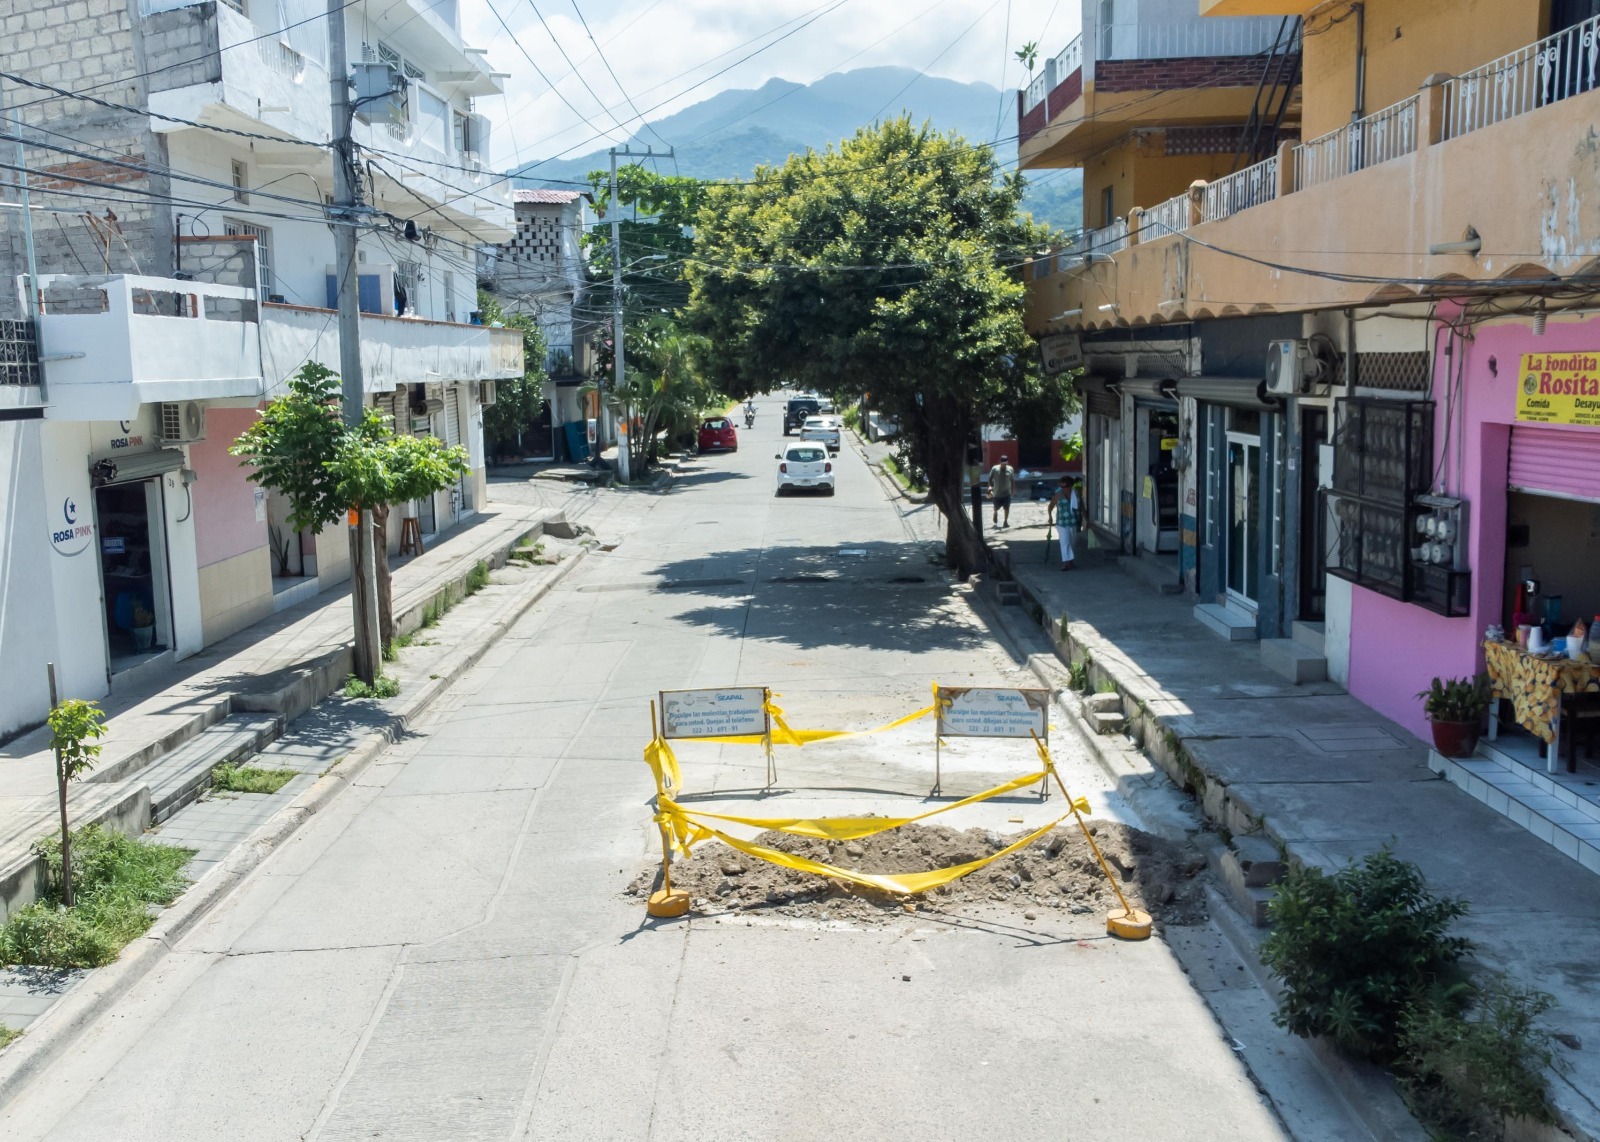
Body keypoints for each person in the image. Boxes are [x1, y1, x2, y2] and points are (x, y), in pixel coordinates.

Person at [1047, 477, 1082, 571]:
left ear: (1071, 486)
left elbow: (1081, 507)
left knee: (1071, 542)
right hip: (1061, 523)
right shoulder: (1058, 494)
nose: (1064, 489)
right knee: (1064, 542)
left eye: (1066, 487)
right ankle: (1065, 563)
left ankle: (1070, 561)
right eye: (1062, 487)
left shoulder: (1076, 494)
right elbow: (1051, 506)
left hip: (1073, 522)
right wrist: (1050, 517)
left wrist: (1087, 520)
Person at [987, 454, 1016, 528]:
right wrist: (990, 487)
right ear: (1000, 462)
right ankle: (995, 513)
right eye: (1002, 463)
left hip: (1007, 493)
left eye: (1005, 464)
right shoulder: (995, 469)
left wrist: (1012, 490)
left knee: (1007, 507)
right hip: (997, 493)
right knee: (996, 507)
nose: (1004, 465)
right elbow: (990, 479)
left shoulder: (1010, 469)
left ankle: (1005, 522)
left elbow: (1012, 480)